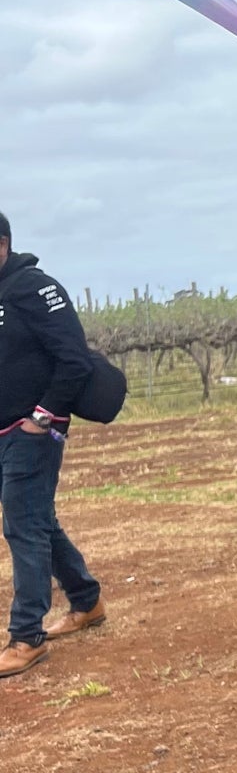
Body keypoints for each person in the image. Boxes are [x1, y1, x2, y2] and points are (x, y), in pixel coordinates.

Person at [0, 212, 106, 680]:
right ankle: (87, 602)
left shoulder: (34, 287)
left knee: (22, 526)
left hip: (33, 432)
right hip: (4, 432)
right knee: (39, 521)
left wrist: (41, 419)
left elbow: (75, 359)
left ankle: (27, 637)